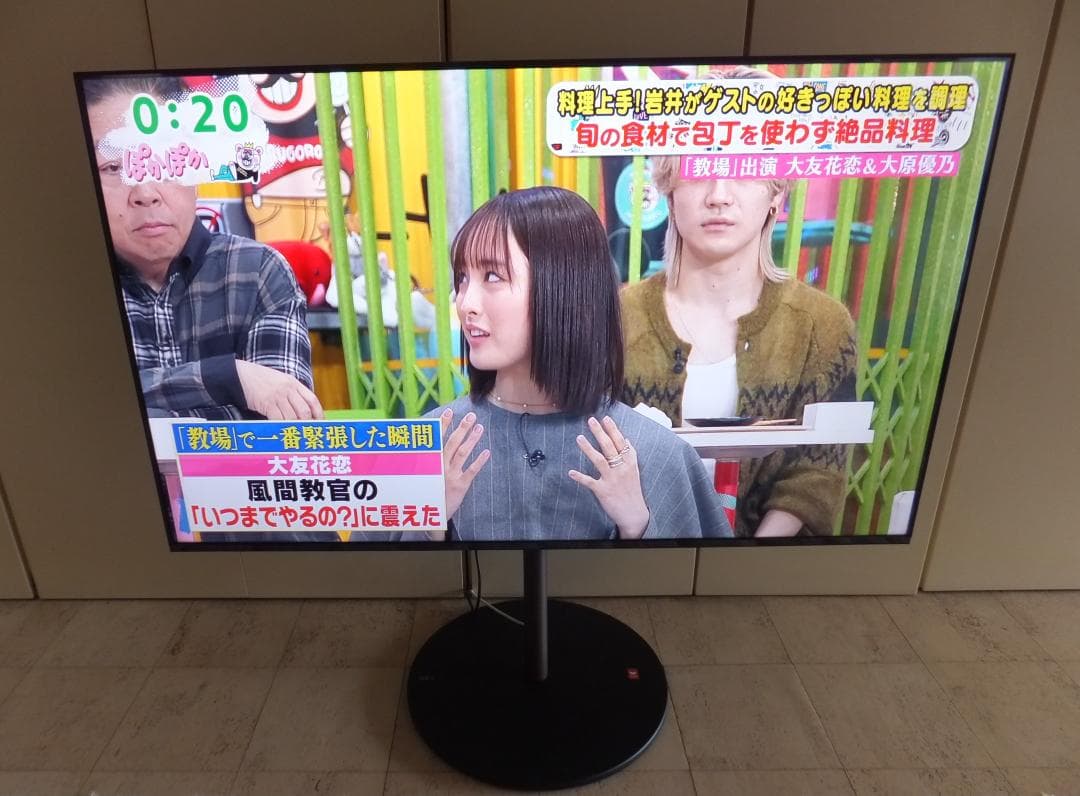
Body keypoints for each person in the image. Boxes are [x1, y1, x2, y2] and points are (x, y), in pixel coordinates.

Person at [621, 67, 857, 538]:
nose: (719, 195)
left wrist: (742, 566)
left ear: (776, 192)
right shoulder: (615, 318)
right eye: (700, 168)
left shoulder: (822, 325)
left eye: (744, 168)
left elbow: (818, 471)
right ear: (668, 187)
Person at [428, 186, 732, 542]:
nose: (465, 303)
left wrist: (637, 527)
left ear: (566, 286)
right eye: (462, 278)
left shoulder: (653, 451)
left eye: (493, 276)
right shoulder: (429, 447)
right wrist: (431, 527)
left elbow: (703, 576)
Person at [85, 75, 323, 421]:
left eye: (164, 160)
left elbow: (283, 429)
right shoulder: (65, 290)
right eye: (112, 167)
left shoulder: (258, 271)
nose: (145, 192)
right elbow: (73, 406)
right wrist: (228, 377)